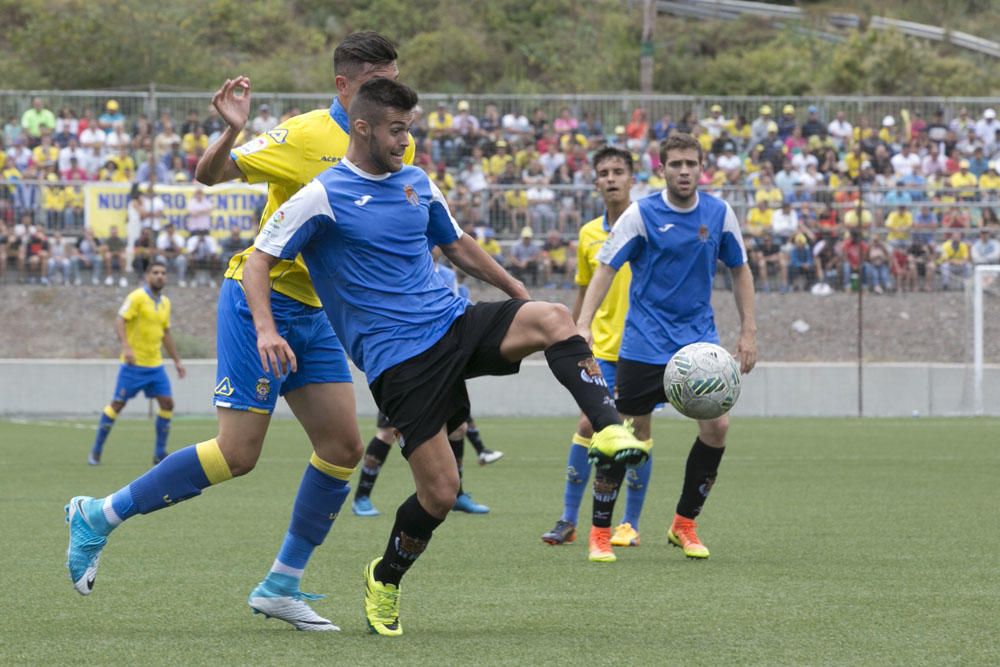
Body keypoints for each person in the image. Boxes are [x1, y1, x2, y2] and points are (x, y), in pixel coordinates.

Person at [248, 78, 648, 636]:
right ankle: (385, 577)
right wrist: (267, 329)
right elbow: (258, 261)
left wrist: (518, 297)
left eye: (409, 129)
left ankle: (608, 429)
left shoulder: (416, 182)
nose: (404, 140)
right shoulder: (323, 193)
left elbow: (458, 246)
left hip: (452, 322)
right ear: (361, 128)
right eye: (395, 129)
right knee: (440, 493)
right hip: (398, 361)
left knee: (554, 317)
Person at [64, 32, 414, 634]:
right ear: (343, 87)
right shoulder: (305, 136)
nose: (386, 98)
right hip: (259, 300)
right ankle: (98, 514)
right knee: (238, 453)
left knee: (343, 448)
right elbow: (209, 175)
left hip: (317, 314)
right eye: (374, 85)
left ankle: (282, 584)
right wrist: (231, 129)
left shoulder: (389, 141)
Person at [575, 132, 757, 562]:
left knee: (718, 429)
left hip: (698, 349)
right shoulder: (641, 214)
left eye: (691, 164)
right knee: (618, 433)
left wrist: (749, 331)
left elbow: (740, 270)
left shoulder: (719, 213)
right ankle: (600, 532)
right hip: (643, 345)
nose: (683, 171)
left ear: (701, 167)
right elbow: (605, 269)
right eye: (675, 164)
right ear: (662, 170)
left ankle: (684, 525)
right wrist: (582, 324)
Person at [540, 146, 653, 548]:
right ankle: (568, 519)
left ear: (631, 177)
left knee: (638, 429)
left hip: (643, 346)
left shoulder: (649, 223)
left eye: (618, 171)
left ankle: (630, 523)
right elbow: (586, 287)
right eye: (603, 172)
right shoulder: (589, 233)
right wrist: (572, 332)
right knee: (590, 424)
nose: (610, 178)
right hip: (601, 348)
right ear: (595, 181)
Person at [87, 260, 185, 466]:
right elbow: (120, 320)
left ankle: (159, 454)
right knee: (117, 405)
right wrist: (126, 347)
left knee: (167, 403)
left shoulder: (165, 302)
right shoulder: (137, 297)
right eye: (156, 272)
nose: (160, 276)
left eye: (163, 273)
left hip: (155, 366)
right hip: (133, 366)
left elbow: (166, 332)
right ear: (148, 276)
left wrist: (177, 360)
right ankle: (96, 451)